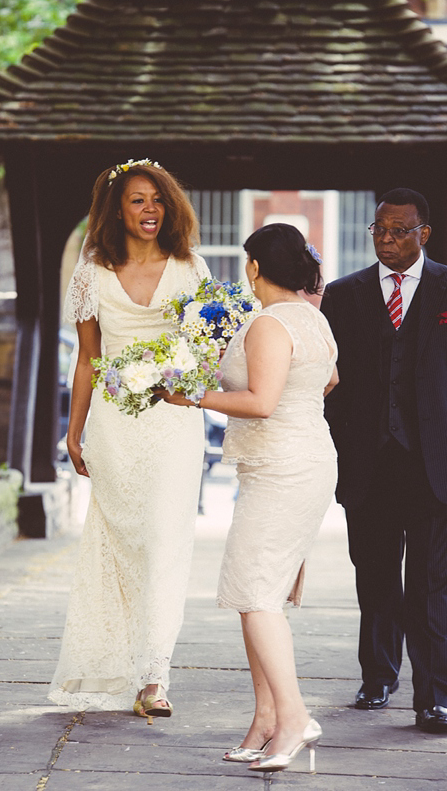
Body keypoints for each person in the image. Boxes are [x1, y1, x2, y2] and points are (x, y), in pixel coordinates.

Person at [162, 223, 339, 774]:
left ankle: (293, 718)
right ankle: (265, 719)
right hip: (301, 460)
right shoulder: (313, 317)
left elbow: (261, 402)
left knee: (258, 594)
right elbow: (328, 379)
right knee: (254, 591)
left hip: (283, 467)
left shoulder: (268, 322)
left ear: (256, 269)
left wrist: (192, 397)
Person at [48, 158, 210, 719]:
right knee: (124, 544)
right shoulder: (91, 273)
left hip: (174, 421)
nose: (150, 210)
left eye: (158, 200)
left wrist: (185, 377)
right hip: (115, 425)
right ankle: (116, 660)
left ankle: (153, 677)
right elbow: (88, 359)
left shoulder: (191, 269)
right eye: (138, 200)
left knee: (165, 541)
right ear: (117, 209)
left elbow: (206, 351)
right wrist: (73, 432)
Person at [321, 187, 447, 734]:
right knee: (373, 576)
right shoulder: (344, 295)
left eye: (400, 230)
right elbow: (328, 384)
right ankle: (378, 677)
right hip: (368, 464)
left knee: (429, 584)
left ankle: (434, 695)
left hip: (433, 466)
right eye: (380, 231)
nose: (388, 240)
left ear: (424, 233)